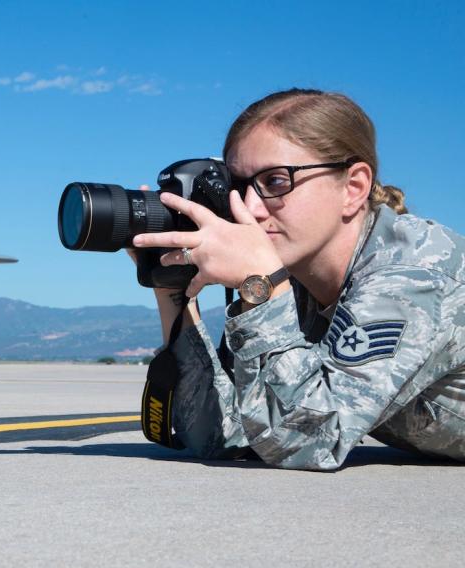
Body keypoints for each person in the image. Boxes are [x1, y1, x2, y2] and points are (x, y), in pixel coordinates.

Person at [132, 88, 465, 471]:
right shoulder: (296, 276)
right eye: (237, 188)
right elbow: (226, 433)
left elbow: (305, 440)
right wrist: (172, 286)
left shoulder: (413, 276)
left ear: (353, 188)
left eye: (276, 181)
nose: (251, 209)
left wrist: (262, 285)